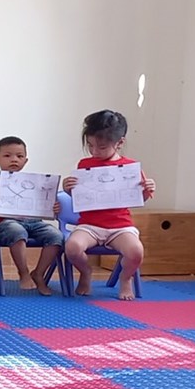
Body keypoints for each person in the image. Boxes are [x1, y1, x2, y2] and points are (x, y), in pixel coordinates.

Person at [62, 110, 155, 300]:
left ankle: (126, 278)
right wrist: (68, 188)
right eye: (90, 146)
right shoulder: (85, 164)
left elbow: (139, 199)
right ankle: (86, 272)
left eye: (101, 147)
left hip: (120, 226)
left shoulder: (130, 167)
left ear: (119, 143)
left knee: (136, 251)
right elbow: (81, 197)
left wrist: (147, 189)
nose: (95, 151)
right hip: (89, 225)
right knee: (72, 247)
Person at [0, 136, 63, 296]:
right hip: (4, 223)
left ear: (26, 160)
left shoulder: (35, 183)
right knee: (17, 231)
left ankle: (39, 274)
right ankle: (23, 273)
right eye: (7, 155)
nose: (14, 160)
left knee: (56, 236)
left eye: (19, 156)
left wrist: (53, 207)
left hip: (34, 222)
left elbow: (45, 205)